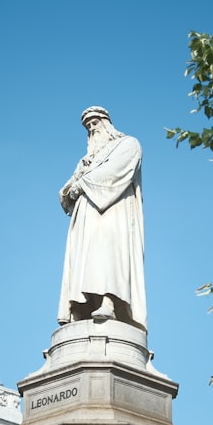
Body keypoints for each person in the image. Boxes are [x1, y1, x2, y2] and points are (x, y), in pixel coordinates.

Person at [58, 106, 147, 332]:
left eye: (95, 123)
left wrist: (83, 184)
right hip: (86, 214)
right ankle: (81, 306)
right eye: (88, 126)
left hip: (113, 211)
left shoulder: (127, 144)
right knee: (84, 259)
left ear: (106, 123)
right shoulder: (87, 159)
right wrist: (71, 188)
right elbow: (69, 186)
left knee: (108, 256)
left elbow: (117, 172)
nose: (91, 128)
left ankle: (110, 302)